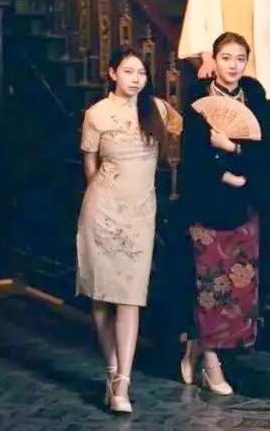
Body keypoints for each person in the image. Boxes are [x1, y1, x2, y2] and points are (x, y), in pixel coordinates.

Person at [76, 48, 183, 414]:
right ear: (112, 73)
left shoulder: (158, 110)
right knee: (101, 297)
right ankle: (111, 372)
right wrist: (108, 198)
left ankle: (123, 382)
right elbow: (90, 167)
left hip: (141, 214)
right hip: (102, 210)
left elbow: (190, 131)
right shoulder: (96, 114)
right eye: (128, 71)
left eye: (141, 73)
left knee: (130, 297)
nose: (136, 79)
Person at [175, 32, 270, 395]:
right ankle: (210, 364)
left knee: (239, 288)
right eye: (226, 58)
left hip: (245, 203)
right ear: (214, 60)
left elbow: (264, 151)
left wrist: (231, 147)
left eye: (240, 59)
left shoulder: (254, 94)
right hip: (206, 203)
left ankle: (197, 348)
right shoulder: (197, 95)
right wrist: (223, 173)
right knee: (209, 287)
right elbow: (191, 153)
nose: (233, 66)